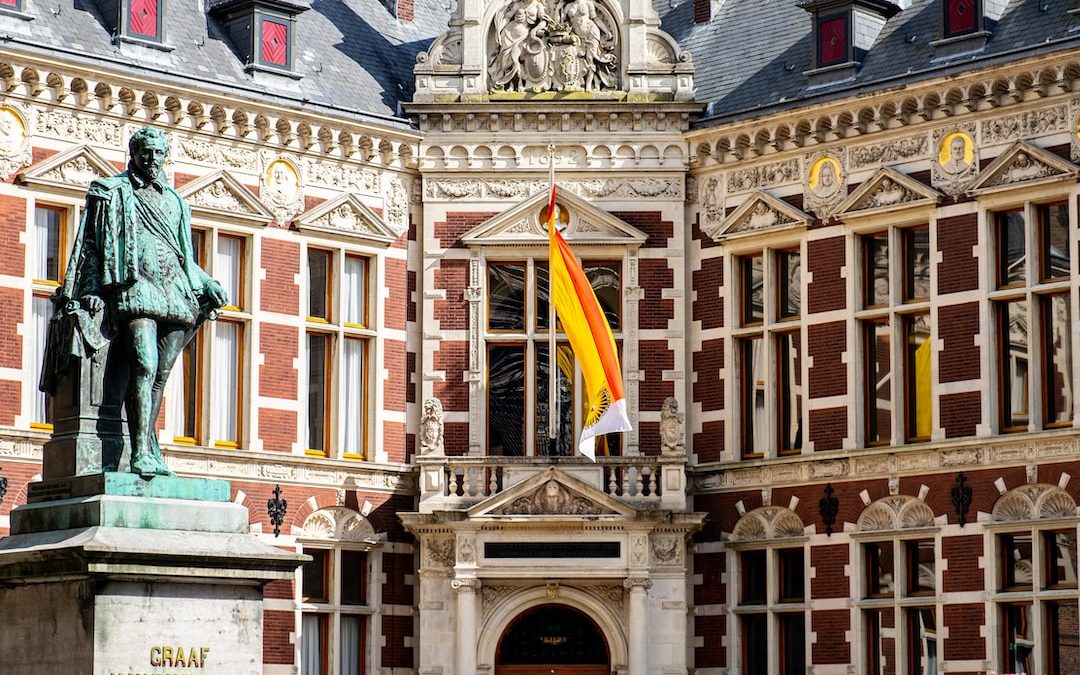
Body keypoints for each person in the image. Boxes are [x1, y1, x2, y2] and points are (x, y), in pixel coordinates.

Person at [41, 127, 227, 477]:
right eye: (146, 152)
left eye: (158, 153)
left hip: (175, 291)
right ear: (134, 153)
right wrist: (92, 290)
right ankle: (139, 451)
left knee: (161, 373)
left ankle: (150, 446)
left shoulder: (176, 203)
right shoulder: (113, 192)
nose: (152, 160)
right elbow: (91, 248)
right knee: (144, 363)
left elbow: (186, 259)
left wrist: (209, 282)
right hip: (136, 288)